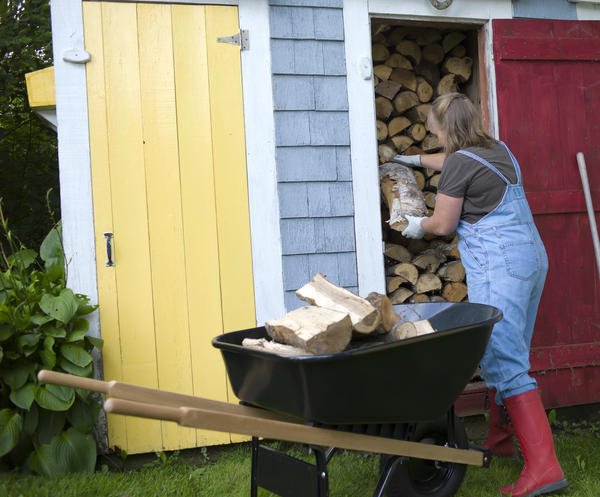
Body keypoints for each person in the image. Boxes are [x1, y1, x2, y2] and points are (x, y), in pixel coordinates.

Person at [391, 93, 567, 497]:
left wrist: (416, 226)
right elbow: (453, 163)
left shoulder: (459, 163)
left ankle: (545, 467)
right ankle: (502, 441)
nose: (431, 134)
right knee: (509, 349)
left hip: (499, 262)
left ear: (443, 126)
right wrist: (415, 161)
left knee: (505, 358)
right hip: (531, 258)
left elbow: (442, 224)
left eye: (433, 128)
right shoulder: (495, 148)